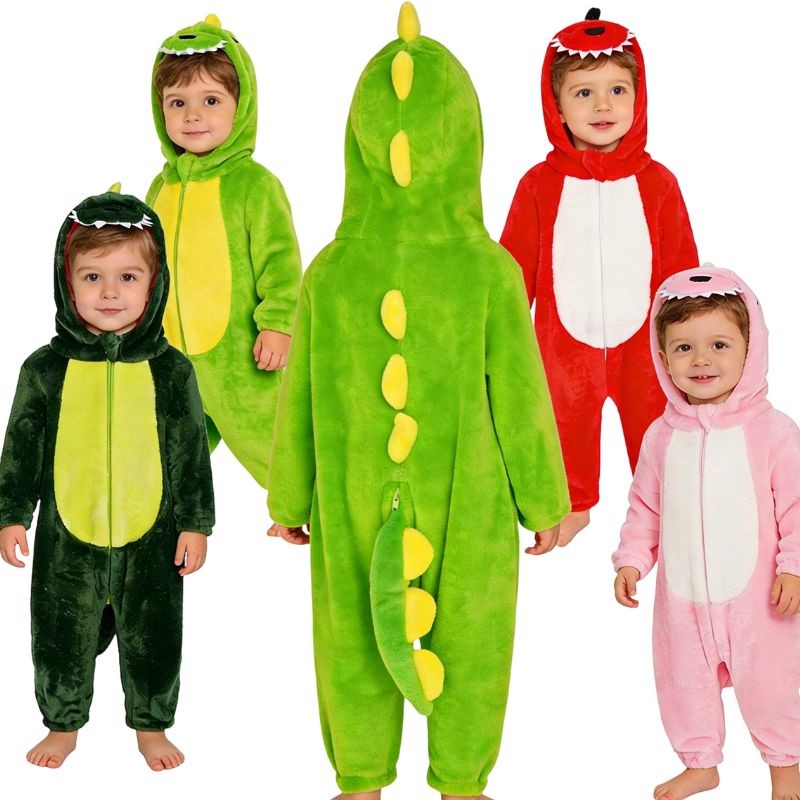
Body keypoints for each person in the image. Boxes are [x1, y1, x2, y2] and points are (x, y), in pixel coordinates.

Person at [267, 4, 569, 799]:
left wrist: (289, 495)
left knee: (352, 633)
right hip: (468, 493)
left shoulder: (332, 268)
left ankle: (360, 780)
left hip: (355, 486)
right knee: (472, 628)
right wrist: (544, 501)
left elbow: (300, 394)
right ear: (466, 138)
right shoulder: (487, 268)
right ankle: (462, 782)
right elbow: (523, 398)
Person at [0, 190, 214, 771]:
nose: (110, 292)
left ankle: (151, 725)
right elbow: (21, 446)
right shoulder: (44, 369)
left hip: (155, 539)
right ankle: (62, 723)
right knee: (60, 635)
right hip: (68, 539)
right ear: (66, 281)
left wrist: (196, 524)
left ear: (154, 283)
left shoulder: (172, 370)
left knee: (155, 638)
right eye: (92, 276)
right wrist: (12, 514)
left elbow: (190, 452)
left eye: (127, 276)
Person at [500, 9, 697, 545]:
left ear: (638, 97)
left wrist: (687, 336)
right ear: (556, 105)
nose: (603, 105)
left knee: (661, 427)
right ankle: (570, 503)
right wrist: (499, 337)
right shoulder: (538, 185)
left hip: (646, 344)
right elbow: (513, 271)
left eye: (617, 90)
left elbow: (682, 268)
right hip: (562, 342)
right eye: (584, 93)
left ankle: (667, 513)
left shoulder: (659, 183)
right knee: (559, 419)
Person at [613, 265, 800, 800]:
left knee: (772, 689)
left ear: (750, 348)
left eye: (719, 344)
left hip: (761, 602)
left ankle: (786, 770)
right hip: (683, 600)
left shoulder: (773, 432)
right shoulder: (661, 436)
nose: (701, 360)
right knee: (682, 684)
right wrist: (631, 560)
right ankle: (700, 763)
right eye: (683, 348)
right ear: (662, 357)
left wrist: (793, 568)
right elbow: (645, 506)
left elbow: (796, 507)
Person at [148, 13, 302, 489]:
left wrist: (278, 324)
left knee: (272, 444)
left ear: (241, 106)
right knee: (165, 454)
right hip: (170, 356)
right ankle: (161, 519)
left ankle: (304, 507)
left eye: (211, 100)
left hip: (241, 357)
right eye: (177, 103)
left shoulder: (254, 185)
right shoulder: (160, 187)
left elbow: (280, 260)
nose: (192, 115)